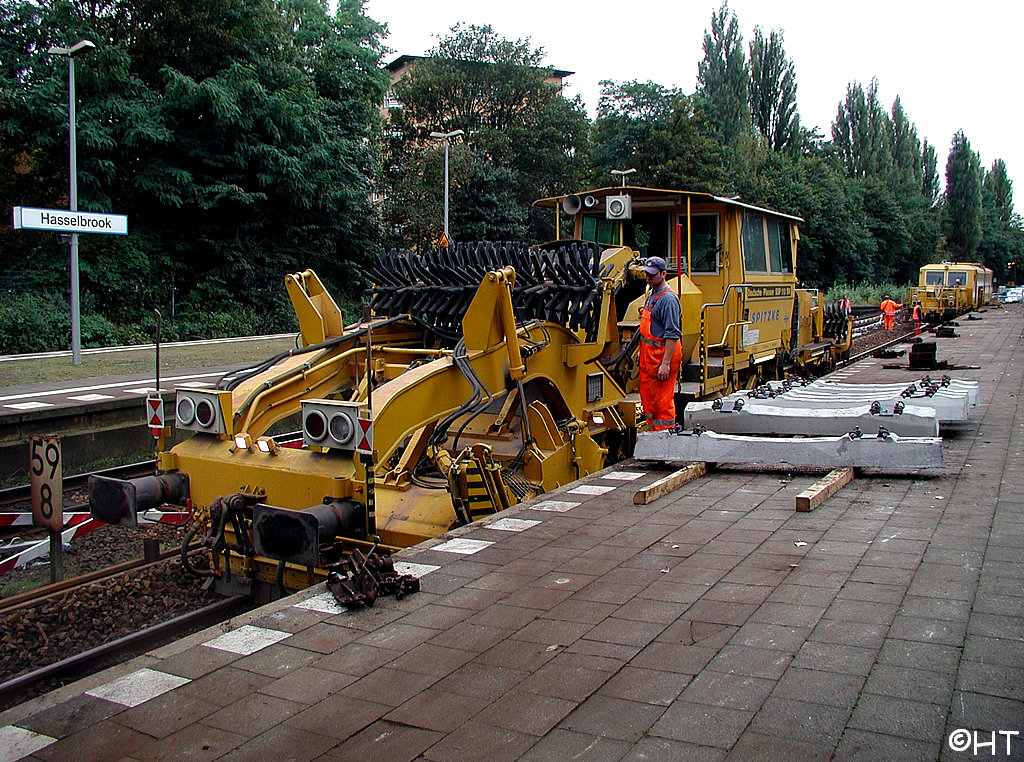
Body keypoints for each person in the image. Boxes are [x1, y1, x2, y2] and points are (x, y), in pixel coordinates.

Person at [638, 256, 682, 431]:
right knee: (649, 403)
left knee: (662, 406)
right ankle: (653, 436)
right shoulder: (651, 294)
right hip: (649, 359)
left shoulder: (668, 300)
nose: (648, 277)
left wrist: (665, 363)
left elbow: (672, 334)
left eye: (652, 274)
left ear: (663, 274)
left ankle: (664, 438)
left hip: (660, 359)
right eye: (646, 274)